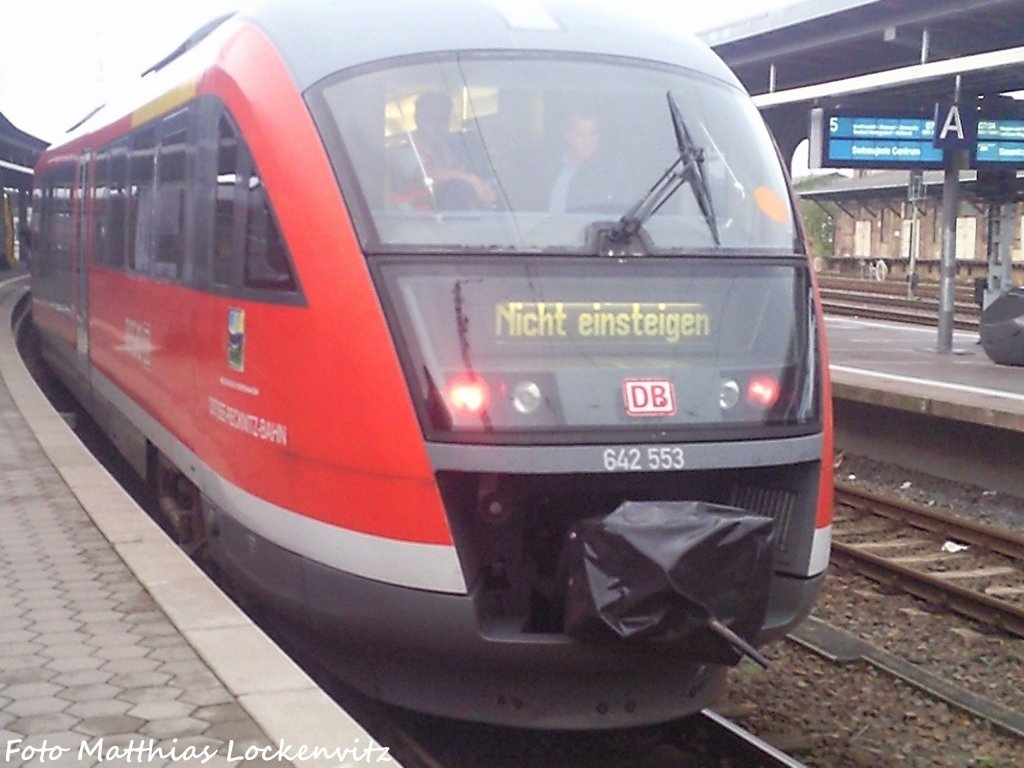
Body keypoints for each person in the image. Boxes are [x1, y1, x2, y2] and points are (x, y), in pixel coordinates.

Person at [391, 92, 496, 210]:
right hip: (417, 225)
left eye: (443, 119)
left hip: (453, 223)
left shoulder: (450, 154)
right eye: (431, 119)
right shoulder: (405, 155)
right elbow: (427, 173)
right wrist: (470, 179)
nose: (438, 126)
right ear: (418, 119)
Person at [548, 112, 602, 213]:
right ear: (567, 135)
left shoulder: (606, 174)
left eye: (592, 134)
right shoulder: (550, 166)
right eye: (581, 134)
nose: (588, 141)